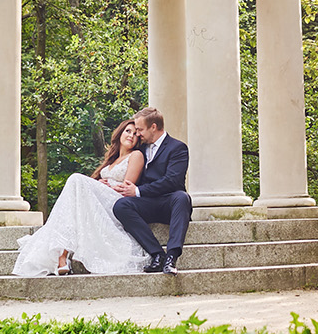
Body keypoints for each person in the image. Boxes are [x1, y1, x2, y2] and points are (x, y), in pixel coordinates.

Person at [12, 119, 150, 277]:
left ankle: (62, 257)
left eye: (135, 134)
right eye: (128, 131)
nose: (131, 135)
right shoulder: (111, 159)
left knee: (76, 180)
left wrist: (104, 187)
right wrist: (99, 184)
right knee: (74, 203)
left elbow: (127, 188)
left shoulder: (136, 155)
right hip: (102, 200)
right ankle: (62, 257)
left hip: (118, 203)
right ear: (120, 133)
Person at [107, 107, 192, 274]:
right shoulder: (141, 150)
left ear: (153, 127)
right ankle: (158, 254)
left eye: (140, 129)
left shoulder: (178, 148)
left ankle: (171, 257)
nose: (137, 134)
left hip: (170, 203)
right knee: (121, 206)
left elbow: (172, 181)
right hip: (148, 204)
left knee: (182, 197)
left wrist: (138, 191)